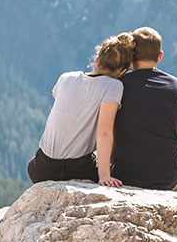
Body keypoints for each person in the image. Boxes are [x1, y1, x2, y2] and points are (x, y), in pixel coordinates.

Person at [28, 33, 135, 184]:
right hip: (78, 169)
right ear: (122, 72)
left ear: (97, 61)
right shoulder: (114, 86)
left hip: (41, 169)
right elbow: (104, 132)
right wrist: (104, 175)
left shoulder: (65, 77)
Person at [109, 26, 177, 190]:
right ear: (160, 56)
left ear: (131, 57)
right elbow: (176, 136)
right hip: (168, 179)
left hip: (125, 177)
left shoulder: (117, 87)